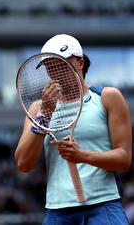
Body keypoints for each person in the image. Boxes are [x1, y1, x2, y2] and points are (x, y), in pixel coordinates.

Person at [15, 34, 132, 224]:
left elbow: (124, 158)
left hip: (103, 205)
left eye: (61, 65)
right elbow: (23, 164)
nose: (55, 73)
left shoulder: (107, 98)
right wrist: (45, 114)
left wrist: (83, 156)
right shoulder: (38, 108)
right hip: (57, 210)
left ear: (80, 62)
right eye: (50, 68)